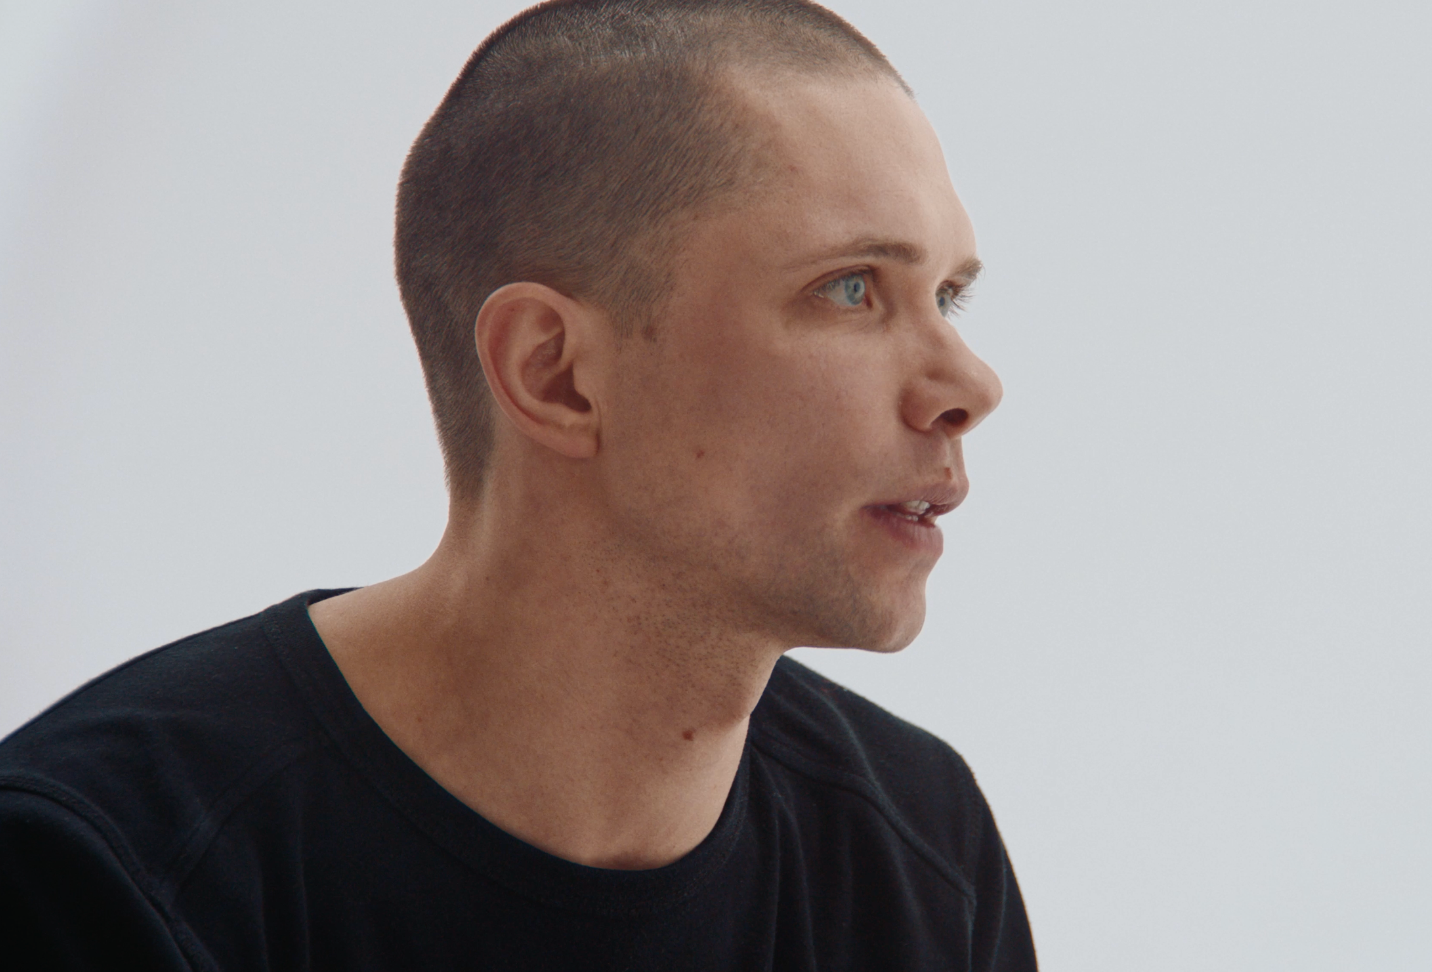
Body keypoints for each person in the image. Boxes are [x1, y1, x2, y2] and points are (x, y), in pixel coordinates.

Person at [0, 0, 1034, 968]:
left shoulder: (921, 855)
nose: (970, 386)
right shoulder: (97, 875)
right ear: (556, 374)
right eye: (850, 288)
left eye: (948, 296)